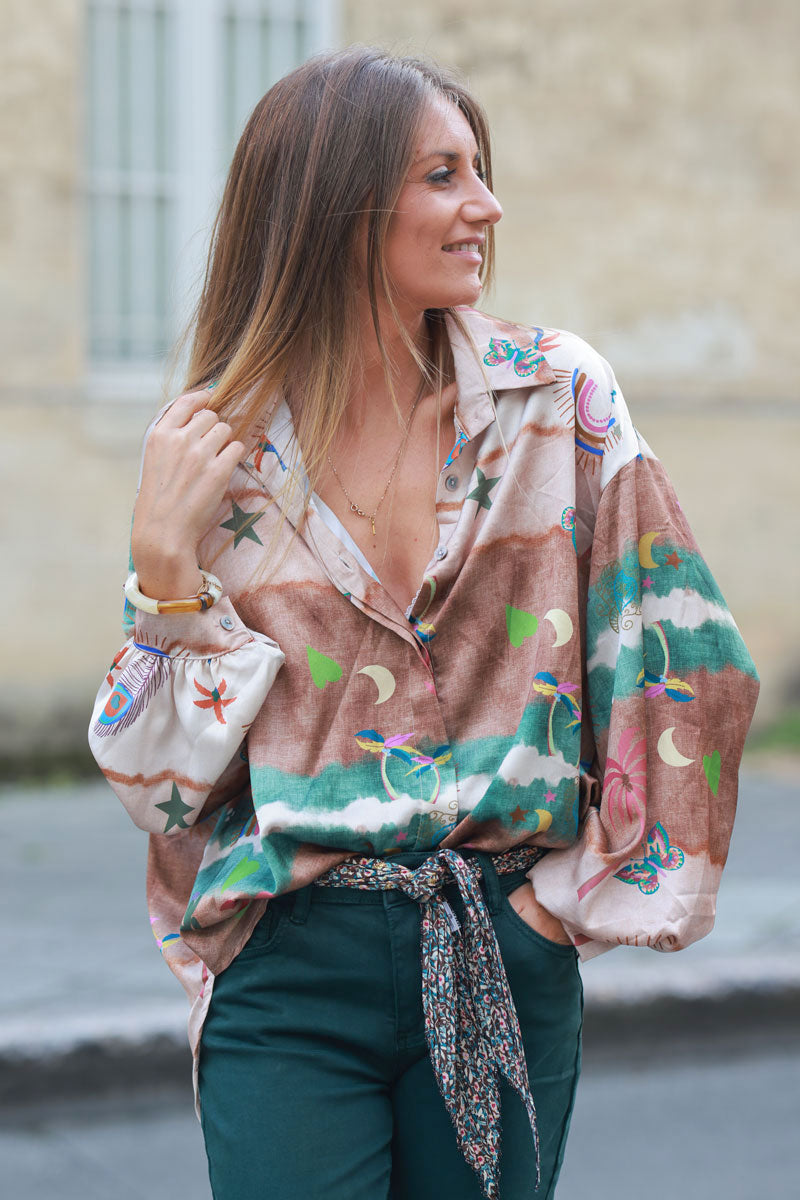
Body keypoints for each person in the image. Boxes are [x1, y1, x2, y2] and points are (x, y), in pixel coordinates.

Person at [88, 46, 759, 1200]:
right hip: (290, 965)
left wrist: (564, 906)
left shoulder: (556, 403)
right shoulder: (217, 452)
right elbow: (160, 794)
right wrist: (164, 573)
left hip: (503, 944)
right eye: (442, 175)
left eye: (478, 169)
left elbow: (685, 656)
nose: (484, 206)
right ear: (339, 208)